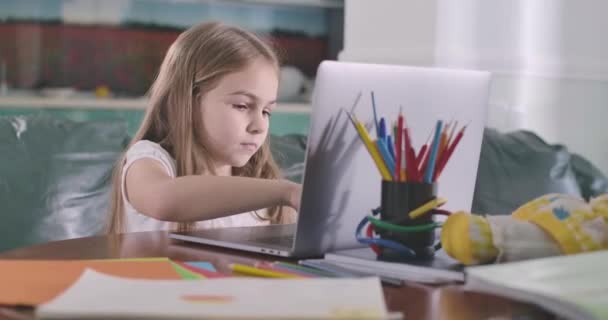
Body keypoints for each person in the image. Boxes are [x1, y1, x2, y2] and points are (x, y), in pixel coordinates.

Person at [106, 21, 301, 234]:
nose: (260, 126)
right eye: (242, 105)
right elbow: (164, 200)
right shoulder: (150, 159)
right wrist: (285, 191)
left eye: (266, 111)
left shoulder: (263, 183)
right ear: (187, 102)